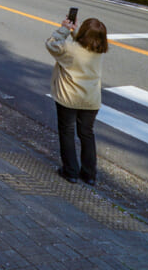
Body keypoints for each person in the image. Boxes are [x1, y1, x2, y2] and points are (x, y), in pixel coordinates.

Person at [45, 16, 109, 186]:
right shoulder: (98, 51)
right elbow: (84, 45)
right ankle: (90, 174)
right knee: (87, 134)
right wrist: (77, 32)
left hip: (69, 98)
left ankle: (71, 171)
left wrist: (65, 29)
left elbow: (51, 44)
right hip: (91, 100)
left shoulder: (69, 49)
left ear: (84, 32)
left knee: (67, 132)